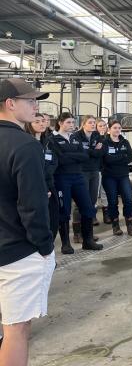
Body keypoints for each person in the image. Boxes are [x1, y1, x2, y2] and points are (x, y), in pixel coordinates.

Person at [0, 78, 54, 366]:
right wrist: (44, 246)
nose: (36, 106)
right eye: (30, 101)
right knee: (16, 330)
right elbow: (32, 207)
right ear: (10, 104)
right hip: (18, 253)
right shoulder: (25, 146)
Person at [49, 112, 102, 254]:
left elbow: (85, 156)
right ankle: (66, 244)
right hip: (62, 178)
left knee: (88, 208)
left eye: (73, 122)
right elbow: (60, 159)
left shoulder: (75, 138)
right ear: (60, 123)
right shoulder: (52, 139)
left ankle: (88, 241)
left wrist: (69, 156)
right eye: (68, 122)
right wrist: (75, 156)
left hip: (78, 177)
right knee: (64, 211)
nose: (71, 125)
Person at [25, 114, 61, 241]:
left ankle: (50, 245)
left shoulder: (48, 141)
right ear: (29, 124)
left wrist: (46, 173)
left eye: (43, 121)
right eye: (37, 121)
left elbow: (54, 161)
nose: (41, 124)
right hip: (35, 185)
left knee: (54, 215)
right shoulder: (27, 142)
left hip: (49, 181)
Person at [72, 116, 105, 238]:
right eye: (90, 123)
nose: (92, 125)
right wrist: (93, 151)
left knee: (91, 202)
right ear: (83, 124)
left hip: (94, 171)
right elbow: (79, 153)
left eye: (94, 123)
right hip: (81, 171)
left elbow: (101, 153)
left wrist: (90, 151)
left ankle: (88, 233)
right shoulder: (76, 136)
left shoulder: (97, 136)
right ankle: (77, 234)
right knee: (80, 202)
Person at [102, 121, 132, 236]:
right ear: (109, 129)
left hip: (123, 176)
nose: (117, 130)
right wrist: (121, 156)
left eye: (119, 128)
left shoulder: (125, 142)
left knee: (128, 200)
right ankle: (115, 226)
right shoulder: (104, 142)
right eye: (115, 128)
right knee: (112, 202)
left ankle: (130, 225)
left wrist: (115, 158)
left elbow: (129, 157)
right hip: (109, 176)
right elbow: (106, 159)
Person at [95, 119, 109, 221]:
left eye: (104, 125)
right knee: (94, 192)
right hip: (96, 168)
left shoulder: (108, 138)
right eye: (100, 126)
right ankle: (93, 215)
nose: (102, 127)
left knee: (105, 191)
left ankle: (106, 214)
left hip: (106, 169)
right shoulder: (94, 138)